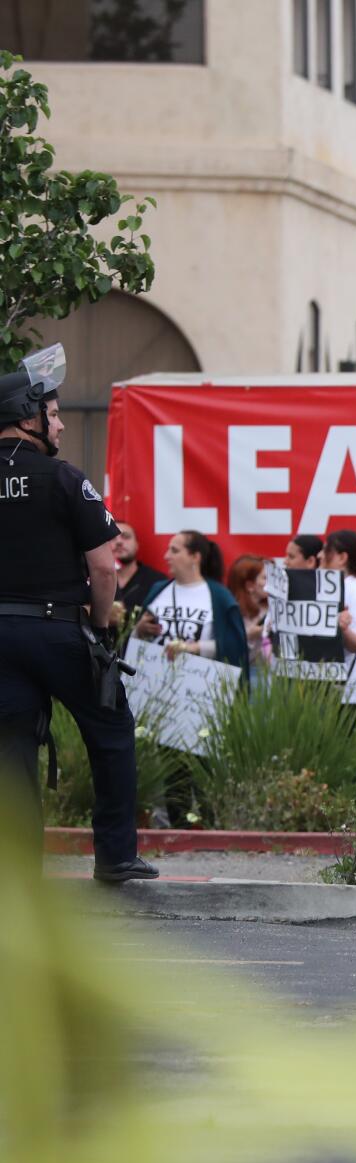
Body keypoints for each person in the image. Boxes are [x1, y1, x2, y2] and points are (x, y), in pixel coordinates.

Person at [0, 343, 155, 882]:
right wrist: (100, 625)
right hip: (57, 629)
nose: (61, 426)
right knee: (111, 730)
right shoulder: (63, 479)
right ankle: (115, 857)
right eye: (55, 412)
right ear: (28, 417)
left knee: (13, 747)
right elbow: (105, 568)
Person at [131, 531, 250, 670]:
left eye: (174, 551)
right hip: (154, 678)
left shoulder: (219, 596)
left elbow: (233, 647)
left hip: (199, 681)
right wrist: (139, 630)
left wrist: (194, 648)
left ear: (195, 557)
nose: (166, 556)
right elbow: (134, 642)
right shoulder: (158, 589)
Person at [320, 528, 356, 711]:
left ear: (342, 558)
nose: (321, 555)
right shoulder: (331, 587)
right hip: (325, 691)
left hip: (347, 696)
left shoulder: (354, 590)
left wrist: (342, 629)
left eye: (327, 549)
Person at [110, 520, 165, 615]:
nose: (119, 542)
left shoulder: (156, 581)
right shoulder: (92, 580)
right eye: (111, 537)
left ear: (136, 545)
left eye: (125, 537)